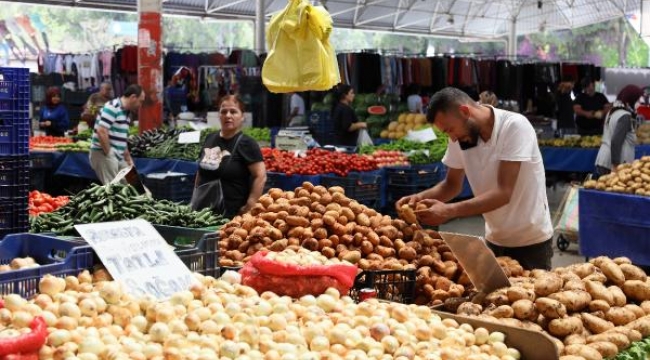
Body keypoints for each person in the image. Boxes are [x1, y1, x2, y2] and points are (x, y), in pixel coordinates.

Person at [396, 87, 554, 270]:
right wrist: (419, 198)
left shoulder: (514, 127)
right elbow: (451, 185)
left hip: (531, 241)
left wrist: (449, 210)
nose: (452, 139)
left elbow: (504, 193)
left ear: (465, 111)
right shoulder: (460, 136)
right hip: (494, 238)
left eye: (450, 130)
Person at [195, 95, 266, 218]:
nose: (228, 115)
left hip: (231, 214)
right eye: (223, 112)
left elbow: (260, 176)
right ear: (219, 115)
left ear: (242, 116)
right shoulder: (210, 138)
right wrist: (195, 194)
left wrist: (250, 205)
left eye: (233, 111)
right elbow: (201, 170)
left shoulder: (247, 144)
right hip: (203, 213)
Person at [89, 84, 144, 185]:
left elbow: (122, 141)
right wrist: (109, 154)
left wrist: (129, 161)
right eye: (140, 101)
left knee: (136, 187)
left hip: (118, 156)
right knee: (114, 190)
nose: (140, 105)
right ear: (133, 97)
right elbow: (101, 131)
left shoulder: (127, 114)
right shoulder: (112, 107)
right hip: (103, 154)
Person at [595, 85, 644, 177]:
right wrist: (615, 165)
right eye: (637, 100)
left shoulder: (613, 111)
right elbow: (615, 142)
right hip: (613, 165)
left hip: (604, 160)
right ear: (631, 100)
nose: (639, 103)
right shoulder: (625, 116)